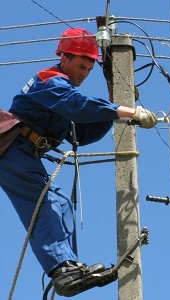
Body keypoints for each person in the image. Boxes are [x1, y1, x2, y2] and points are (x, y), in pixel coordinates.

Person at [0, 27, 157, 296]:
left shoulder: (63, 95)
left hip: (23, 153)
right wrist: (125, 110)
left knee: (61, 203)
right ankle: (61, 269)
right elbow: (78, 106)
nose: (84, 73)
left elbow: (81, 132)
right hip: (11, 149)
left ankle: (69, 266)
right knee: (45, 204)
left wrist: (114, 115)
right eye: (81, 66)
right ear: (64, 58)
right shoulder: (50, 80)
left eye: (88, 69)